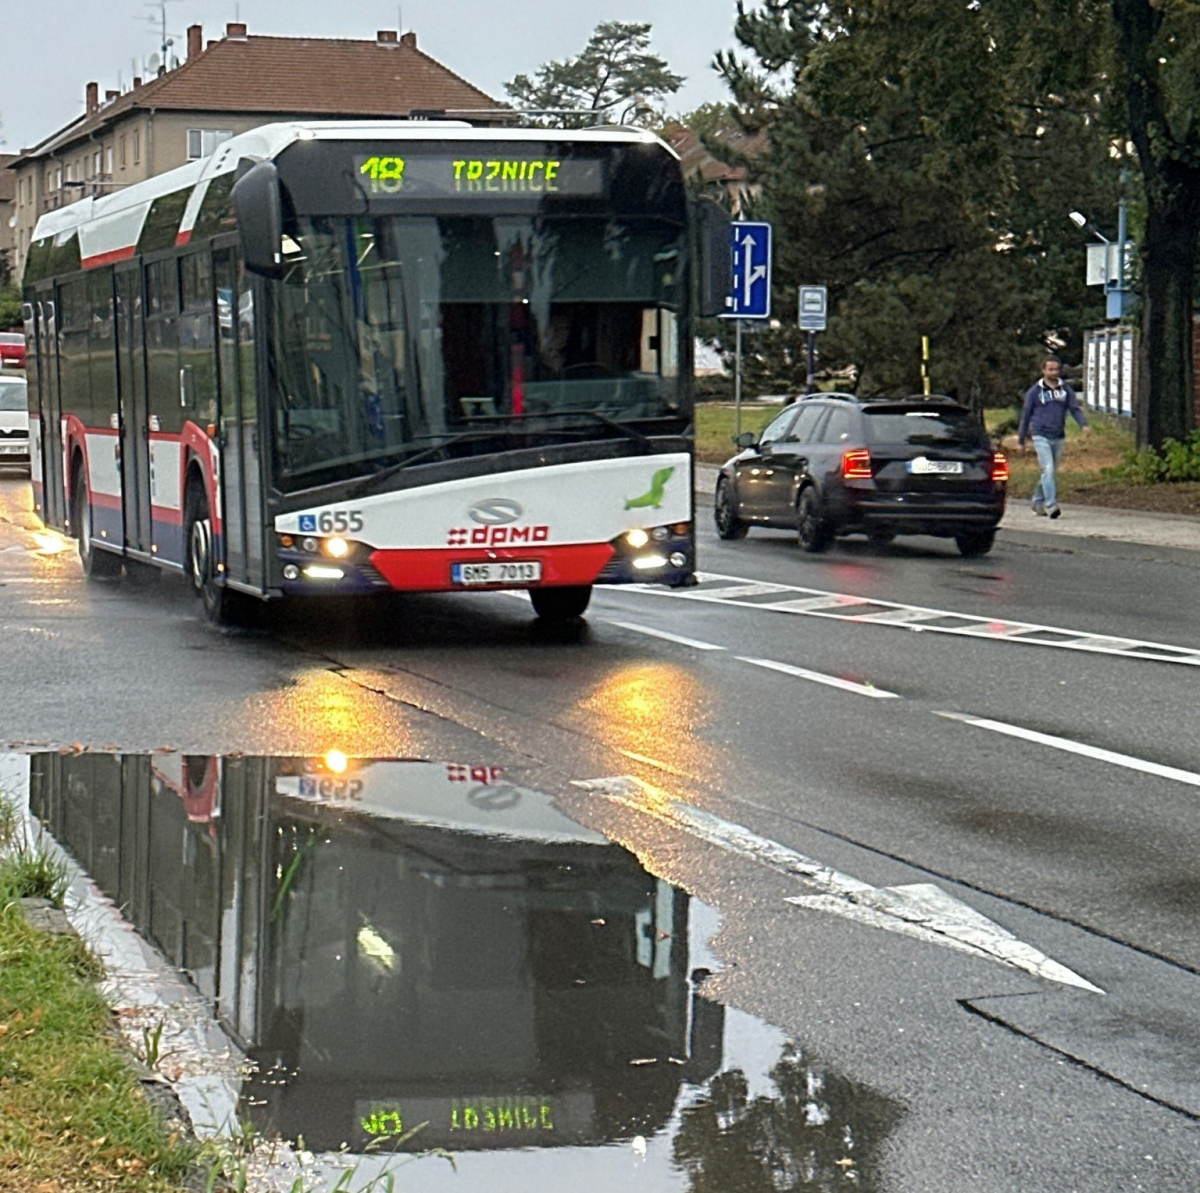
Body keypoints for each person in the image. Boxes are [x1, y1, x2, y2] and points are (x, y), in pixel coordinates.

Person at [1016, 355, 1090, 518]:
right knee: (1047, 469)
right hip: (1040, 434)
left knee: (1049, 473)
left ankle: (1037, 500)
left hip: (1058, 436)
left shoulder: (1065, 390)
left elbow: (1074, 409)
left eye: (1056, 369)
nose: (1054, 372)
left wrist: (1083, 424)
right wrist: (1021, 440)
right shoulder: (1035, 392)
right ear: (1043, 371)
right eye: (1050, 369)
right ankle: (1051, 505)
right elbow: (1026, 416)